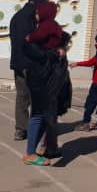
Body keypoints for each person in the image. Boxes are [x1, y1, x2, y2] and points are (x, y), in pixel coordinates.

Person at [22, 30, 71, 166]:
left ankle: (40, 149)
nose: (66, 48)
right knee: (39, 118)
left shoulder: (54, 57)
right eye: (65, 46)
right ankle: (31, 153)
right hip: (44, 94)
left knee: (46, 120)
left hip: (49, 95)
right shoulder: (50, 58)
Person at [9, 0, 45, 141]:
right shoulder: (32, 18)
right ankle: (34, 129)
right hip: (30, 64)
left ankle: (20, 129)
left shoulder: (16, 17)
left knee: (21, 96)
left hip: (17, 62)